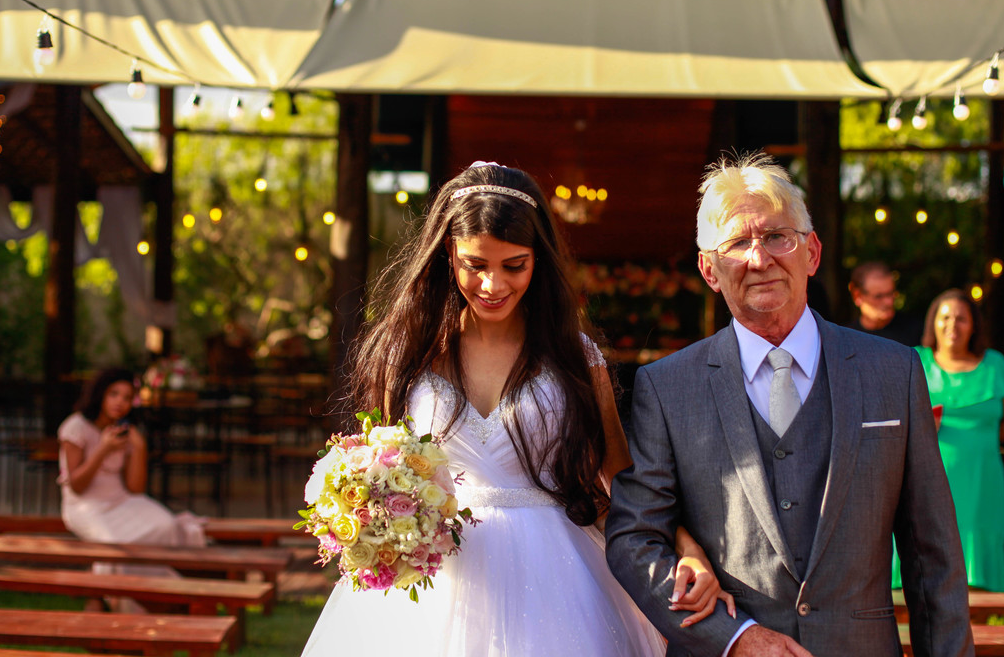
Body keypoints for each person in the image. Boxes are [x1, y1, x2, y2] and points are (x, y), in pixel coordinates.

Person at [302, 161, 729, 656]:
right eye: (475, 264)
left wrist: (684, 546)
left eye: (514, 265)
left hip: (557, 584)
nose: (492, 285)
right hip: (434, 585)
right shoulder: (407, 354)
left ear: (538, 260)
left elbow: (621, 478)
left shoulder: (576, 357)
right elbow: (379, 455)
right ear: (448, 252)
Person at [606, 153, 973, 657]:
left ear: (812, 252)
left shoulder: (894, 371)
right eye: (737, 243)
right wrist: (734, 639)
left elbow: (933, 556)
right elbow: (634, 539)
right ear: (709, 269)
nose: (760, 259)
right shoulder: (667, 387)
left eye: (778, 236)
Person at [891, 289, 1004, 592]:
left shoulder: (995, 365)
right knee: (920, 567)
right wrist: (920, 428)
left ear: (974, 325)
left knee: (976, 578)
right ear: (933, 323)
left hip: (980, 483)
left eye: (962, 318)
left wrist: (977, 439)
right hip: (923, 481)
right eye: (946, 317)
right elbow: (888, 420)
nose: (953, 325)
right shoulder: (912, 361)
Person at [58, 367, 205, 609]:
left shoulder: (125, 431)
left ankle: (153, 596)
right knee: (114, 545)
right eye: (114, 394)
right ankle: (121, 605)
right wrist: (103, 449)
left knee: (165, 525)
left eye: (127, 398)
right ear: (100, 394)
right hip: (86, 506)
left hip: (121, 500)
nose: (120, 403)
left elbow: (136, 489)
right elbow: (76, 486)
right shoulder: (75, 427)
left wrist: (139, 448)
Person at [844, 262, 920, 347]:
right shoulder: (846, 340)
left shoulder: (916, 331)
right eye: (878, 296)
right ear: (857, 296)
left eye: (891, 293)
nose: (889, 302)